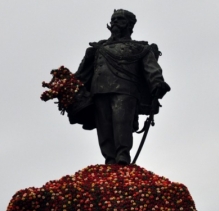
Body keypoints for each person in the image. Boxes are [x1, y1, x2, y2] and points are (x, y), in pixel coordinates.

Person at [71, 9, 170, 164]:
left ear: (130, 24)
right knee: (104, 126)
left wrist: (157, 83)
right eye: (113, 19)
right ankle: (109, 159)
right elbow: (81, 75)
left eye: (120, 19)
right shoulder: (98, 49)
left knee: (121, 122)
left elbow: (152, 69)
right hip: (100, 91)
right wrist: (66, 86)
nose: (115, 22)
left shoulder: (140, 48)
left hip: (126, 90)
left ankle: (122, 154)